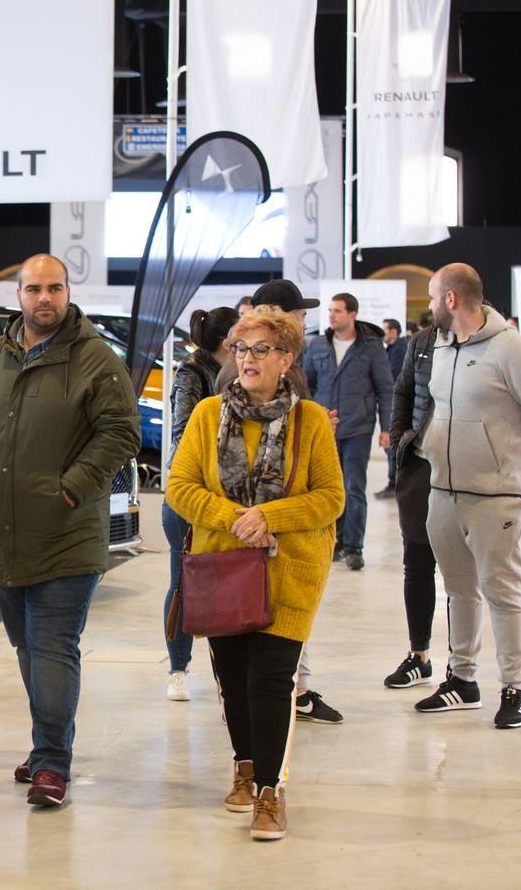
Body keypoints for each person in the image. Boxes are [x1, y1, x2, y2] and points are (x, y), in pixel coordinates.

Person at [0, 253, 138, 808]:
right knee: (28, 648)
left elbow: (120, 433)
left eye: (54, 288)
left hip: (65, 532)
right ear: (18, 296)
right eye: (34, 289)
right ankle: (46, 744)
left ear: (68, 292)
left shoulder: (95, 359)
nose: (45, 299)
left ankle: (53, 763)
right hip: (1, 532)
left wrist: (72, 488)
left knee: (52, 647)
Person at [166, 306, 344, 842]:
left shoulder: (310, 420)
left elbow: (331, 498)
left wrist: (270, 517)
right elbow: (180, 487)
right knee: (233, 681)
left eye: (262, 350)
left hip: (290, 570)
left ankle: (270, 789)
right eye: (241, 350)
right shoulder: (207, 416)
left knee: (271, 681)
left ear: (287, 359)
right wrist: (235, 520)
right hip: (224, 568)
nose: (248, 359)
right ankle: (244, 764)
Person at [415, 264, 521, 728]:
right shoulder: (440, 346)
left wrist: (514, 469)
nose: (430, 304)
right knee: (458, 590)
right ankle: (462, 680)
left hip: (497, 495)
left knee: (502, 590)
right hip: (443, 489)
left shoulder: (510, 348)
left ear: (451, 299)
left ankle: (513, 687)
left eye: (433, 296)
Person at [220, 280, 345, 726]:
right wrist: (245, 518)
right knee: (244, 659)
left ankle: (297, 692)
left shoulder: (296, 383)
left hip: (287, 542)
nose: (303, 320)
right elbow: (192, 480)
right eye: (297, 311)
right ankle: (275, 705)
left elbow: (328, 492)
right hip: (237, 546)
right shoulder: (235, 382)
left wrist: (316, 431)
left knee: (275, 656)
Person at [163, 306, 239, 702]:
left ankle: (224, 669)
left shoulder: (237, 368)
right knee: (184, 582)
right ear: (228, 340)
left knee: (226, 582)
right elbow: (183, 435)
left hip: (222, 495)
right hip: (188, 494)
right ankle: (178, 668)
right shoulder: (191, 374)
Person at [301, 293, 394, 571]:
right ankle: (335, 543)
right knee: (330, 488)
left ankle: (353, 546)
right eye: (330, 310)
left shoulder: (371, 347)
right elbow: (307, 386)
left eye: (338, 311)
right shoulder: (318, 344)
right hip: (324, 430)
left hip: (358, 427)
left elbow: (385, 389)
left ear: (352, 315)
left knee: (354, 487)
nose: (331, 316)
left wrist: (387, 427)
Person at [383, 322, 440, 689]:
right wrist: (400, 442)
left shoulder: (496, 343)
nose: (432, 305)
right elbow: (403, 391)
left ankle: (462, 669)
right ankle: (419, 656)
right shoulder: (422, 342)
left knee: (463, 576)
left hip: (468, 473)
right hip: (419, 465)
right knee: (417, 564)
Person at [375, 318, 408, 500]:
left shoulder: (399, 350)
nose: (383, 334)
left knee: (393, 446)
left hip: (397, 406)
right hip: (394, 405)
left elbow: (391, 378)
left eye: (385, 330)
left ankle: (394, 484)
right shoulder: (393, 350)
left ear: (394, 332)